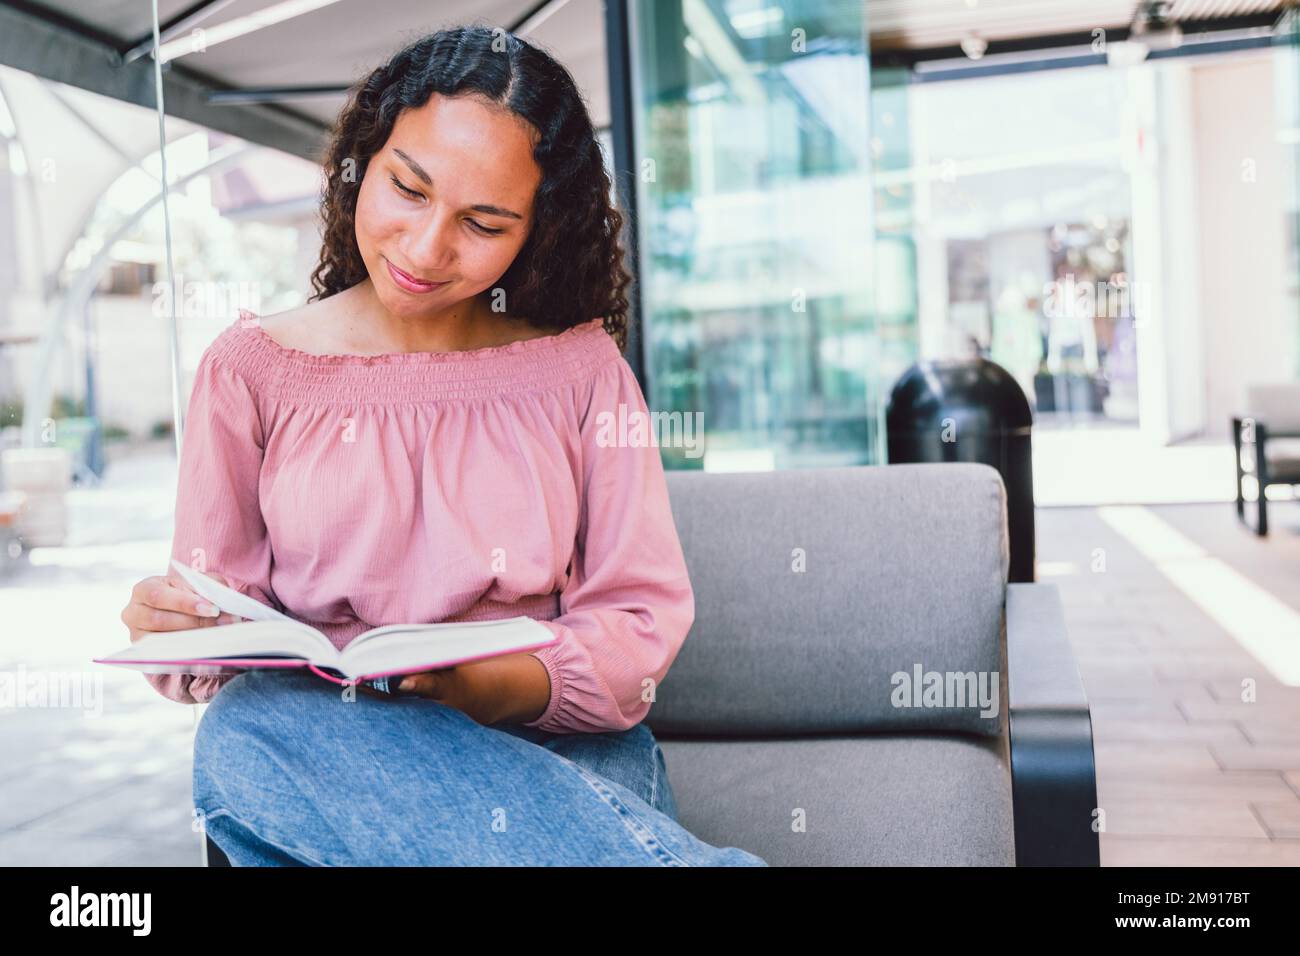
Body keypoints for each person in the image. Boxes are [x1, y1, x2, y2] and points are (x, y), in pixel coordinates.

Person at [119, 25, 767, 868]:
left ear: (537, 229)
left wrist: (489, 686)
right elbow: (219, 613)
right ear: (362, 158)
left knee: (254, 756)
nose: (426, 251)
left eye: (484, 223)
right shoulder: (250, 374)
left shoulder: (580, 371)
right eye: (408, 189)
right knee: (247, 730)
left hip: (553, 749)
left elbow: (637, 624)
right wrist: (173, 630)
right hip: (337, 745)